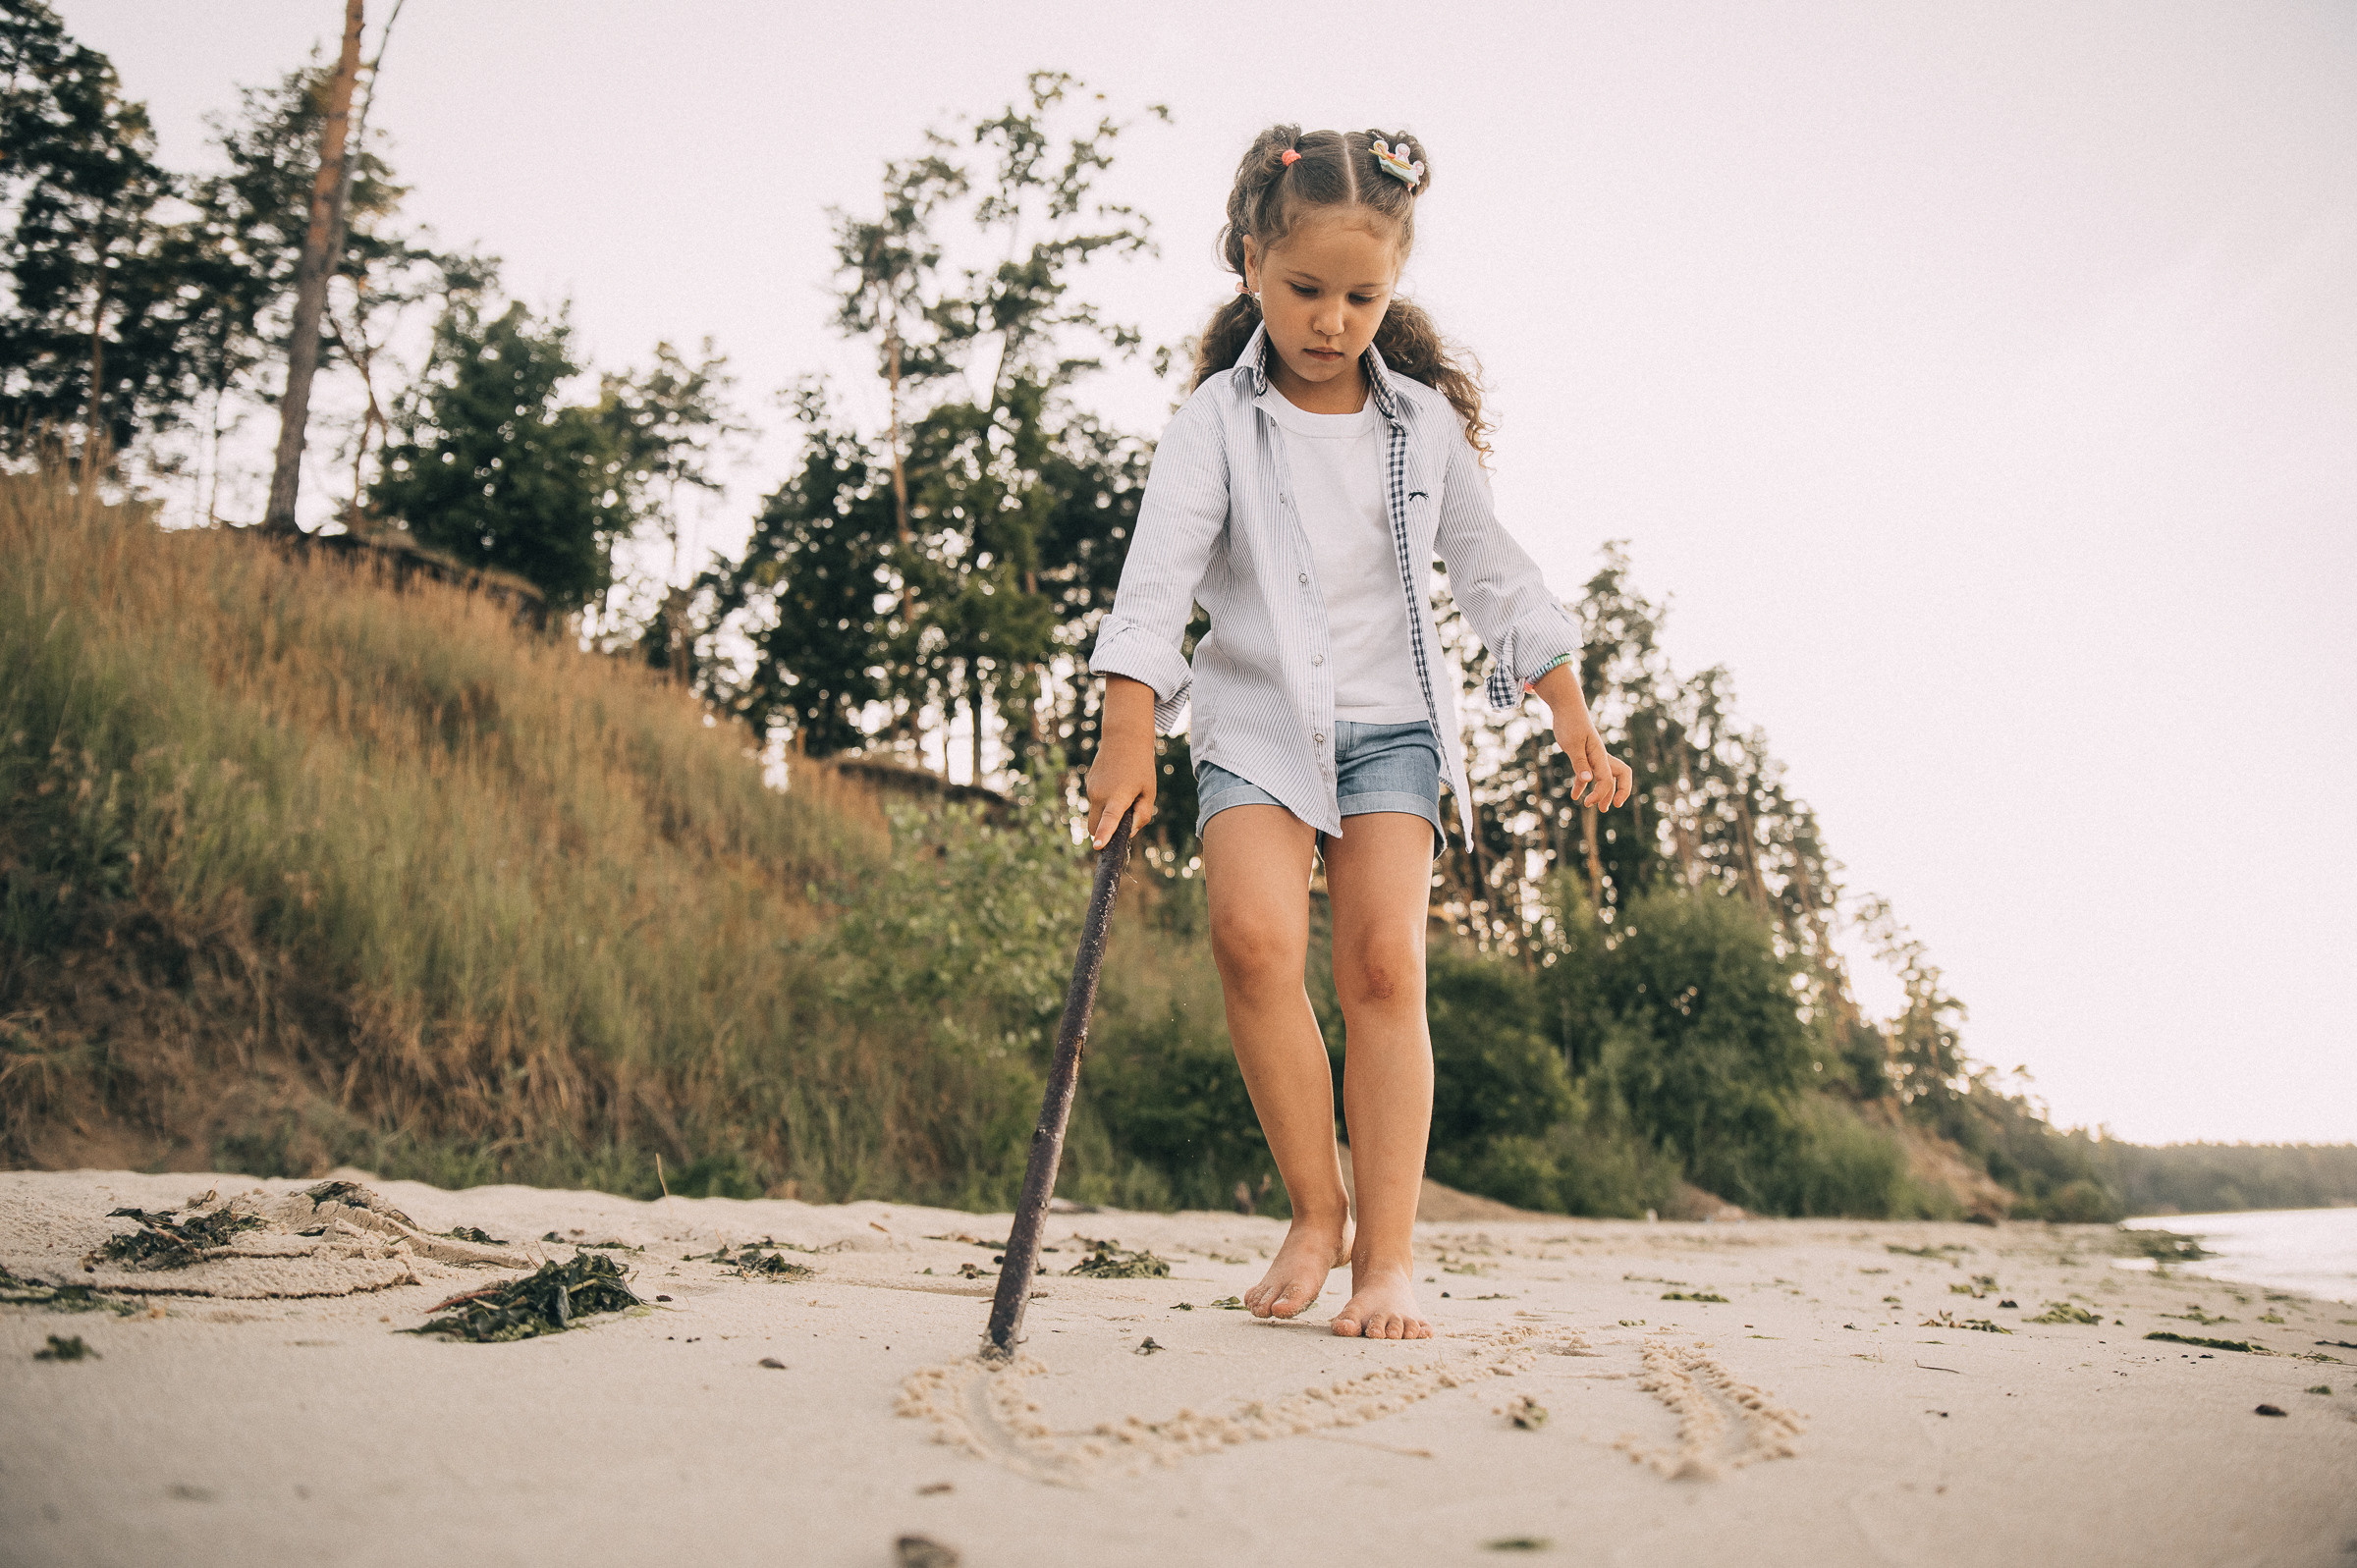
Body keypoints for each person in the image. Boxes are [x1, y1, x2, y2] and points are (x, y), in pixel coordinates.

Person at [1085, 126, 1633, 1339]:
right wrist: (1129, 723)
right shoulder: (1212, 427)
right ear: (1249, 267)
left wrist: (1566, 703)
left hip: (1393, 728)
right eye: (1307, 291)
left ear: (1394, 290)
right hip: (1252, 714)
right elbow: (1155, 581)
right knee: (1250, 941)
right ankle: (1314, 1210)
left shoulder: (1420, 426)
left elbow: (1495, 575)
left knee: (1384, 968)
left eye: (1362, 296)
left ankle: (1387, 1257)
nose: (1334, 319)